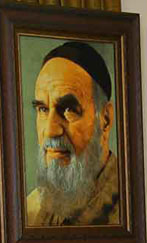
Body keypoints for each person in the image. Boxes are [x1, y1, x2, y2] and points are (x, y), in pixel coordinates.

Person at [26, 41, 119, 226]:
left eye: (69, 109)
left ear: (105, 119)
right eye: (43, 109)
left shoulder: (132, 210)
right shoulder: (30, 211)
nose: (50, 130)